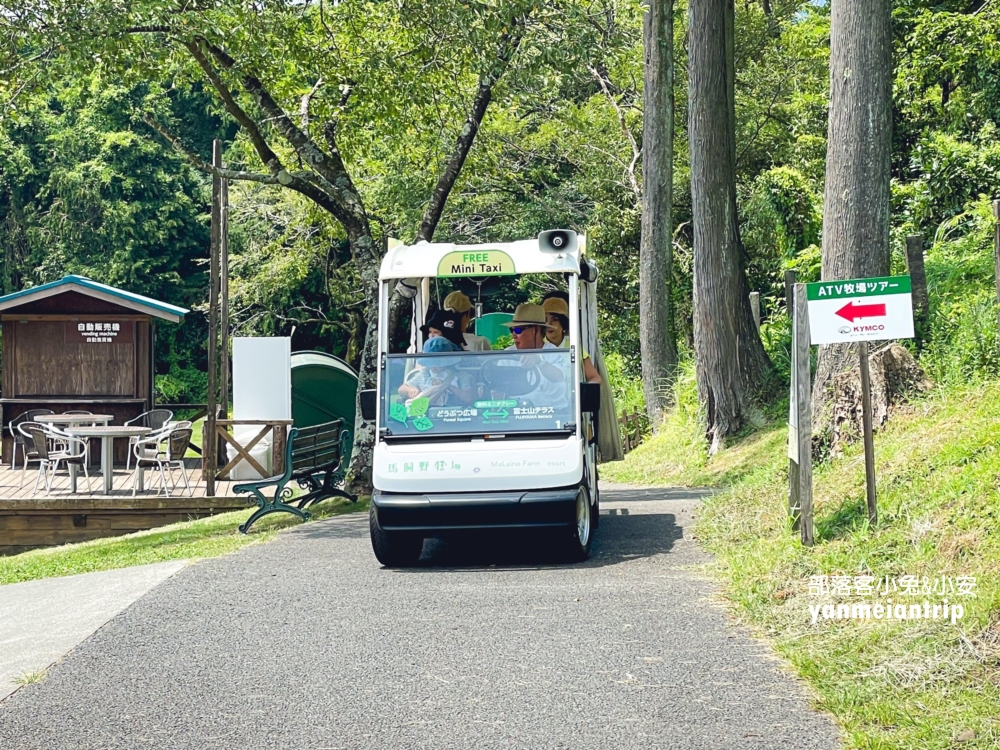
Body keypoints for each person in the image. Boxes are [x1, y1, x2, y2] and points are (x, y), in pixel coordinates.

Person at [398, 329, 473, 406]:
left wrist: (446, 386)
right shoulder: (424, 375)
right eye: (431, 363)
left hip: (454, 414)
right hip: (427, 415)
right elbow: (401, 389)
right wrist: (410, 390)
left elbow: (468, 398)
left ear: (448, 362)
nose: (434, 366)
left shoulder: (460, 375)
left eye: (438, 363)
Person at [541, 296, 602, 385]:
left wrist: (585, 392)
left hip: (572, 399)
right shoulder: (538, 346)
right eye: (545, 320)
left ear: (564, 323)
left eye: (554, 319)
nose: (549, 324)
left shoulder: (574, 345)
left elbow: (595, 377)